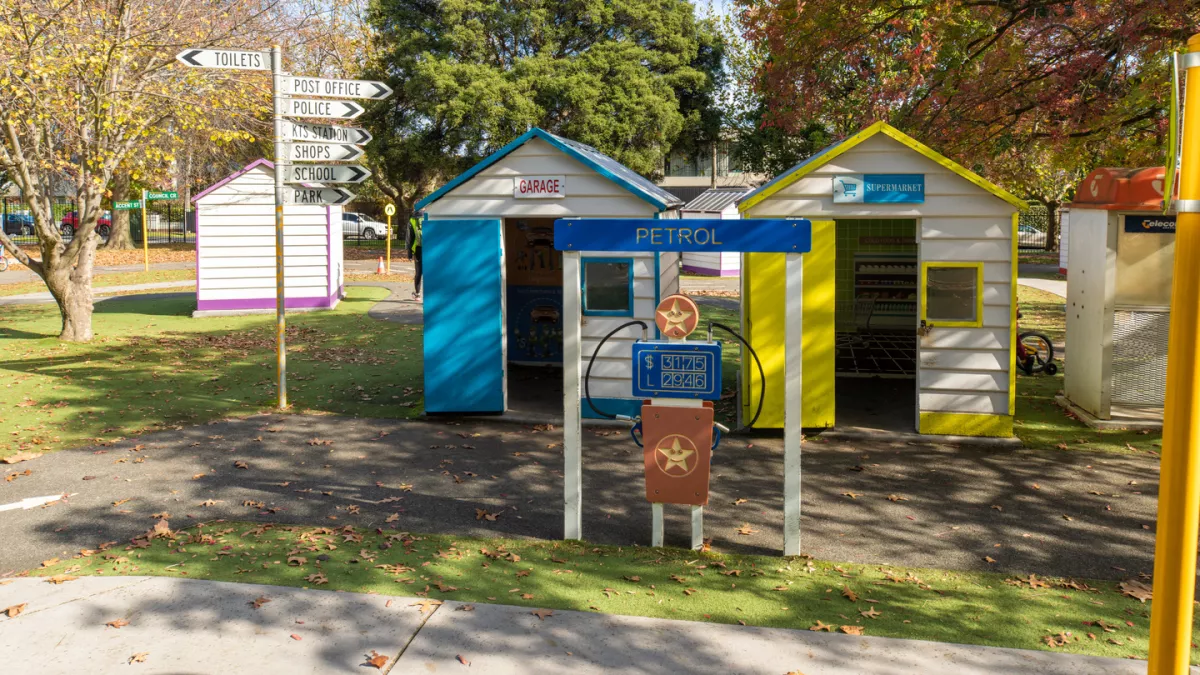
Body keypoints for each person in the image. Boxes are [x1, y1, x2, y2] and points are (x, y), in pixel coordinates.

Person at [409, 214, 423, 301]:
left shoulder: (413, 220)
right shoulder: (430, 215)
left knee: (418, 272)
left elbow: (409, 237)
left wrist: (409, 252)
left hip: (418, 249)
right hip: (430, 248)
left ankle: (417, 294)